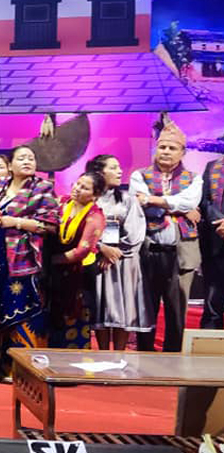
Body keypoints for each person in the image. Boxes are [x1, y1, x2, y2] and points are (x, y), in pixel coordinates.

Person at [0, 145, 58, 376]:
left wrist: (15, 222)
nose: (27, 161)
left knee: (23, 309)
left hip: (24, 261)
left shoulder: (42, 188)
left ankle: (22, 369)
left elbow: (50, 225)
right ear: (10, 165)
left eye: (31, 158)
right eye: (22, 158)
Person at [130, 120, 202, 352]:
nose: (166, 152)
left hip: (180, 252)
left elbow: (190, 201)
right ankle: (144, 355)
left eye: (172, 148)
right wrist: (178, 207)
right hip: (149, 250)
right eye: (162, 147)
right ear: (156, 149)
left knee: (177, 308)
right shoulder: (139, 175)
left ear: (182, 152)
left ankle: (174, 356)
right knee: (146, 306)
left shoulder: (194, 177)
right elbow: (140, 205)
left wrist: (153, 199)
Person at [87, 155, 151, 350]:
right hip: (95, 259)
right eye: (113, 168)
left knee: (123, 309)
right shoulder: (89, 199)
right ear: (99, 172)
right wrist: (101, 248)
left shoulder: (127, 199)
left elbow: (135, 233)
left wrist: (115, 253)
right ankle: (103, 353)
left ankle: (119, 355)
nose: (120, 171)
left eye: (119, 167)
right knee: (101, 307)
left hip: (124, 261)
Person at [47, 172, 106, 349]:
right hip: (54, 272)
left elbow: (82, 251)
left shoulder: (95, 216)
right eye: (77, 184)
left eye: (85, 188)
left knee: (74, 320)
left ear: (95, 195)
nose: (77, 189)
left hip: (78, 273)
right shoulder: (62, 202)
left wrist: (51, 260)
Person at [200, 153, 224, 329]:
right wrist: (219, 221)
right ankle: (210, 334)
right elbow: (205, 200)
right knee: (213, 291)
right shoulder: (212, 166)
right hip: (215, 236)